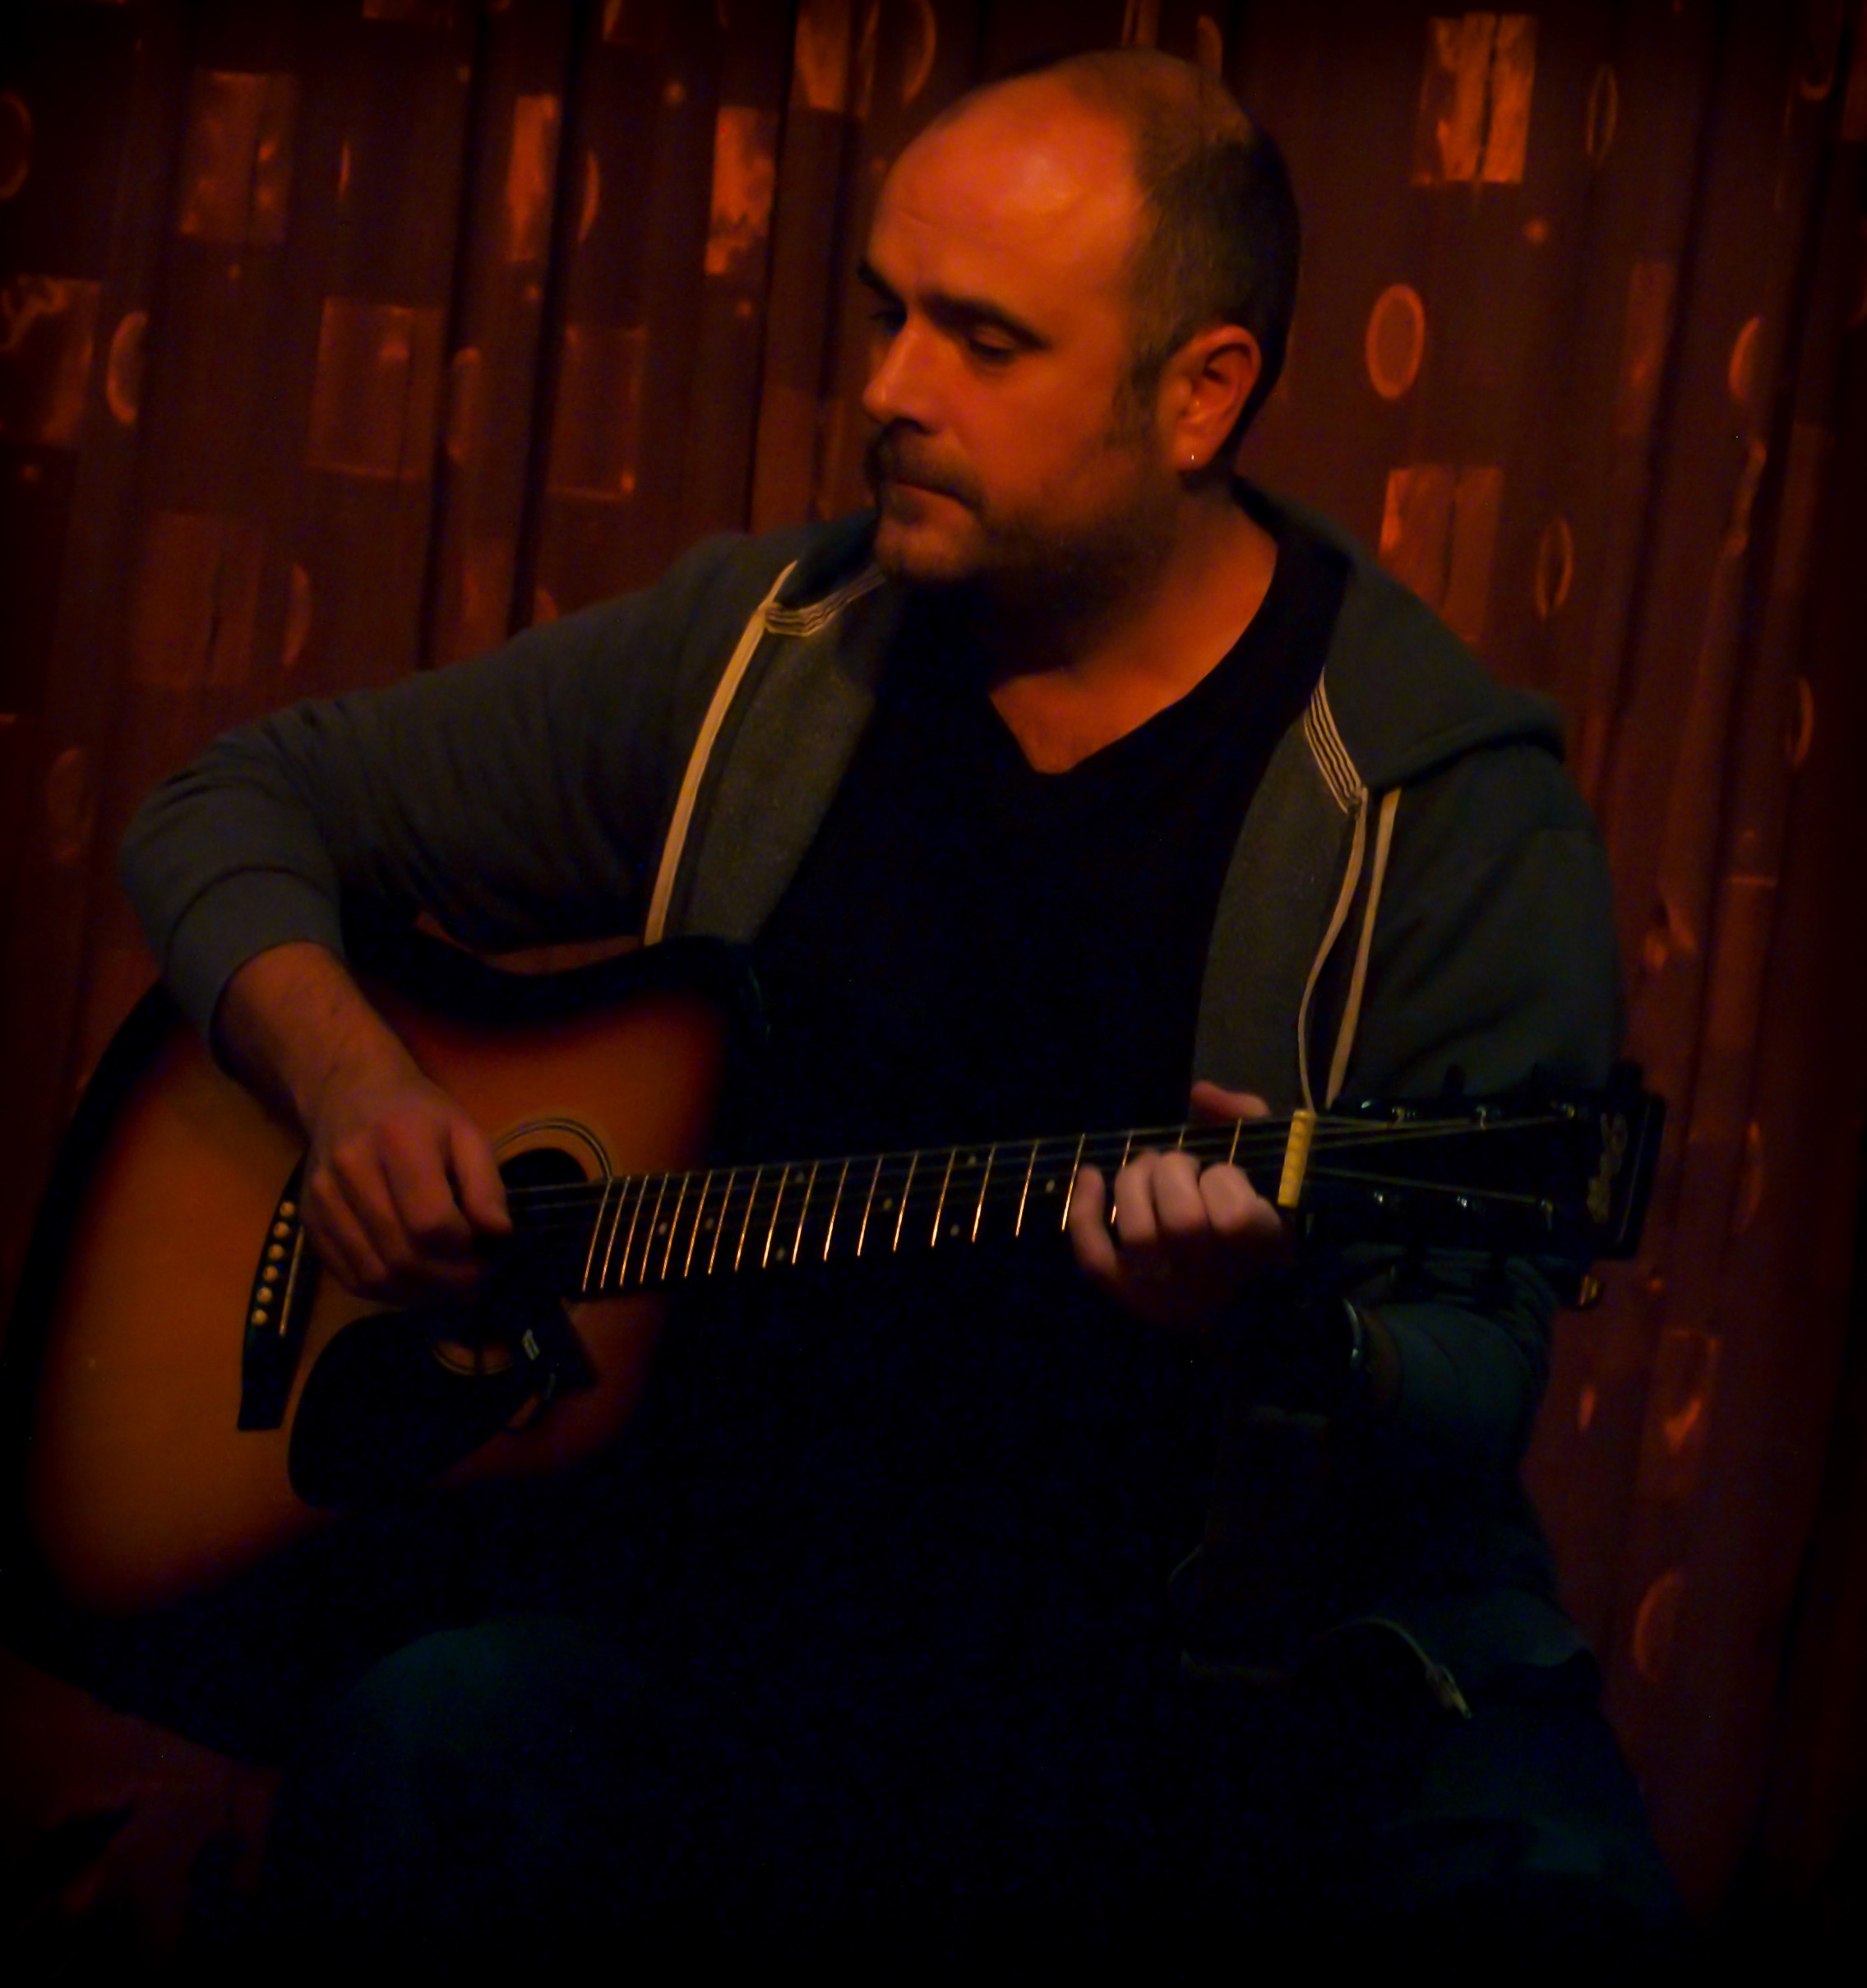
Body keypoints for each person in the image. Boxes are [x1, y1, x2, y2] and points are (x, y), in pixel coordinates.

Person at [122, 48, 1678, 1963]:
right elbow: (235, 806)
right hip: (732, 1611)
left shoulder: (1442, 809)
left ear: (1201, 392)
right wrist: (354, 1084)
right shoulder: (767, 651)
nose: (888, 391)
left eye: (982, 340)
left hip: (1170, 1670)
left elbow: (1472, 1366)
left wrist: (1280, 1323)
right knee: (429, 1744)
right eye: (886, 316)